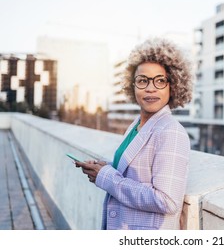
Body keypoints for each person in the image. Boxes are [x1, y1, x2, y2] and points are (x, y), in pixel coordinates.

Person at [75, 37, 193, 230]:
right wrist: (106, 167)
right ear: (132, 85)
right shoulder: (136, 125)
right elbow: (136, 170)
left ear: (174, 86)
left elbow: (167, 201)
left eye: (160, 81)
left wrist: (106, 177)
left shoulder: (172, 132)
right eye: (142, 80)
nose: (150, 88)